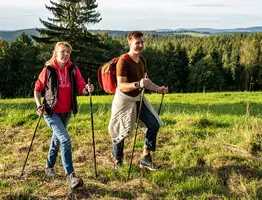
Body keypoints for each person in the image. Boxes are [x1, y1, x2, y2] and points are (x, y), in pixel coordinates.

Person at [34, 41, 94, 190]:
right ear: (55, 53)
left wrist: (87, 89)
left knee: (57, 139)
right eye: (63, 51)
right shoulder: (48, 70)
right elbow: (37, 89)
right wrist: (38, 105)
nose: (66, 54)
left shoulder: (73, 69)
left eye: (68, 52)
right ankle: (71, 176)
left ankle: (49, 167)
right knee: (65, 139)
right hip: (50, 111)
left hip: (66, 111)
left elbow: (81, 87)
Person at [108, 31, 168, 170]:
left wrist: (159, 89)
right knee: (119, 130)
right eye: (137, 43)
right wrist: (137, 84)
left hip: (138, 98)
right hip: (123, 100)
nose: (140, 45)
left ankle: (145, 158)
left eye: (142, 42)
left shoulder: (142, 60)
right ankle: (118, 160)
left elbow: (145, 82)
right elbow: (121, 85)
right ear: (130, 43)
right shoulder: (123, 60)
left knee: (153, 124)